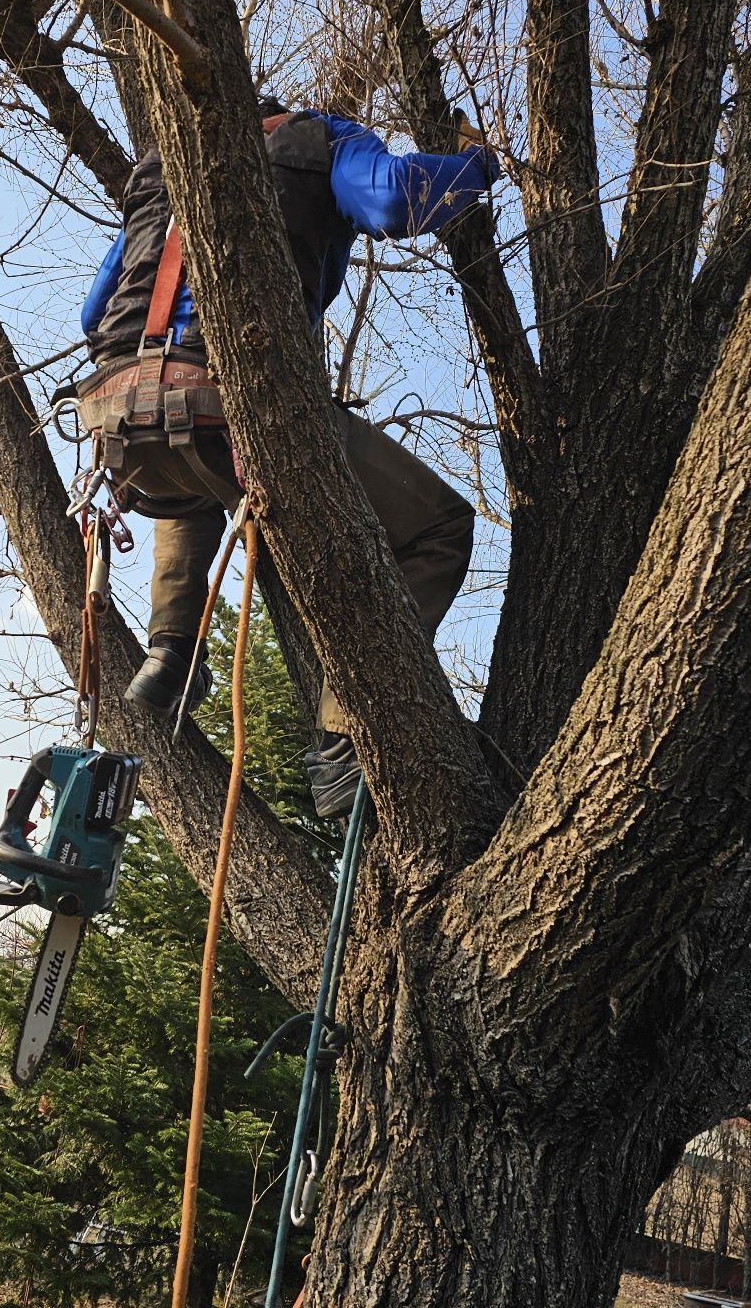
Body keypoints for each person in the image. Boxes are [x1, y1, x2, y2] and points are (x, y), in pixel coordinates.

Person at [75, 100, 496, 817]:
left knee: (187, 484)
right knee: (440, 526)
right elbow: (396, 200)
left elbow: (94, 313)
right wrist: (476, 166)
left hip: (117, 417)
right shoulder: (324, 138)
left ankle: (169, 649)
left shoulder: (161, 164)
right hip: (227, 403)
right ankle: (345, 736)